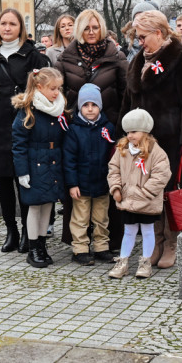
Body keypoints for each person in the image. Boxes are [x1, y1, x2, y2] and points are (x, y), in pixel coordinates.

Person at [120, 10, 182, 269]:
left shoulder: (181, 60)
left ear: (159, 32)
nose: (139, 41)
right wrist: (123, 136)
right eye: (136, 37)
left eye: (142, 36)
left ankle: (171, 243)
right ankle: (153, 243)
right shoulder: (136, 62)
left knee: (171, 193)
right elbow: (127, 103)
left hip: (172, 140)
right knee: (148, 193)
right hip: (142, 144)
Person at [0, 9, 50, 253]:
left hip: (25, 126)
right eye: (3, 23)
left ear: (20, 27)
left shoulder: (32, 55)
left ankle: (28, 230)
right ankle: (11, 231)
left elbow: (45, 89)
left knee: (24, 180)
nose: (7, 28)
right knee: (4, 181)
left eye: (12, 24)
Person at [55, 9, 128, 249]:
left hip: (108, 128)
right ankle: (77, 242)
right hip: (75, 129)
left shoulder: (115, 56)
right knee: (78, 192)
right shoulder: (66, 58)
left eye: (95, 27)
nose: (91, 32)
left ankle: (106, 241)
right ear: (79, 30)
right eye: (86, 28)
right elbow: (58, 92)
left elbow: (126, 91)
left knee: (106, 186)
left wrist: (122, 126)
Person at [106, 108, 171, 280]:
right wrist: (116, 188)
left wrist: (145, 192)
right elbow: (113, 169)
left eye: (134, 131)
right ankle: (123, 261)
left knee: (148, 230)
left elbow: (161, 175)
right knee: (129, 230)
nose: (130, 136)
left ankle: (145, 262)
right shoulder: (123, 150)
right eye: (127, 132)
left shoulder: (156, 152)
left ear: (145, 131)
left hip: (146, 201)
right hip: (128, 200)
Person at [11, 67, 66, 268]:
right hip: (35, 165)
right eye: (52, 88)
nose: (56, 93)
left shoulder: (57, 108)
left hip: (53, 163)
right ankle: (33, 247)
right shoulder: (28, 111)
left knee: (48, 205)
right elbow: (18, 145)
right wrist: (22, 172)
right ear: (39, 87)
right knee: (34, 206)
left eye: (59, 88)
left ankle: (42, 244)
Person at [63, 83, 115, 265]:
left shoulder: (108, 128)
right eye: (86, 105)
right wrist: (72, 184)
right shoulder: (74, 129)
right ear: (80, 106)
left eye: (94, 105)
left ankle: (101, 247)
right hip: (81, 185)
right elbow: (69, 160)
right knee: (80, 219)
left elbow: (114, 156)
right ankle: (80, 249)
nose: (90, 109)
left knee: (102, 218)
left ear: (100, 106)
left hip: (102, 183)